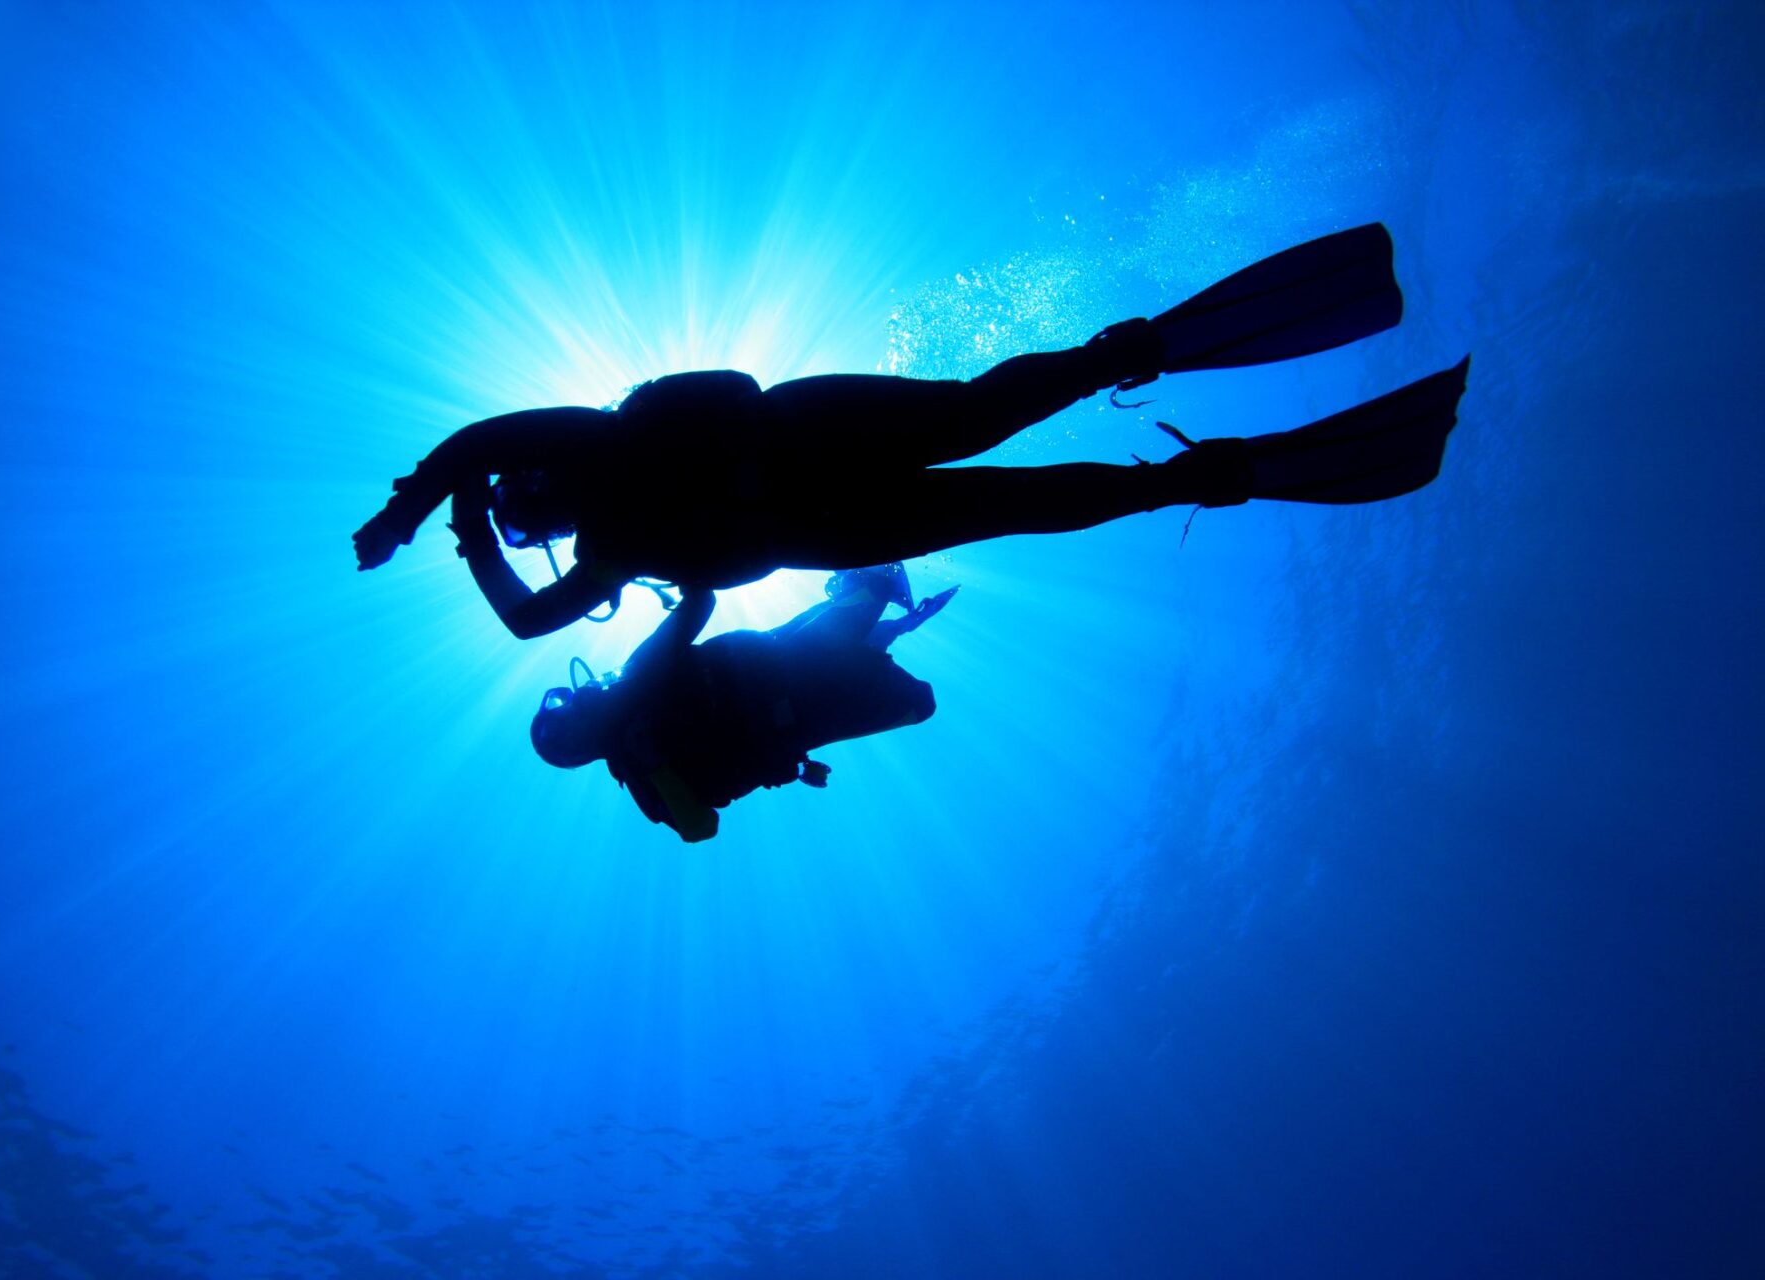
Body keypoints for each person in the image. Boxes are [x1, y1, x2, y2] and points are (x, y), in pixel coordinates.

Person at [353, 224, 1470, 639]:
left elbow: (483, 437)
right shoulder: (605, 543)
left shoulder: (594, 449)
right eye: (522, 511)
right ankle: (1196, 465)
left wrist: (426, 512)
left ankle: (1137, 369)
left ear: (535, 479)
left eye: (519, 493)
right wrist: (453, 528)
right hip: (824, 502)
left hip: (813, 452)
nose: (528, 499)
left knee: (985, 420)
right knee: (1012, 494)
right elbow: (523, 616)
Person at [531, 565, 955, 842]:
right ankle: (884, 628)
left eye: (561, 705)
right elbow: (701, 828)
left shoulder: (637, 680)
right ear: (578, 744)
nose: (573, 702)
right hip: (795, 698)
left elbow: (700, 603)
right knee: (918, 700)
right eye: (565, 715)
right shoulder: (641, 759)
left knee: (875, 604)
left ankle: (887, 627)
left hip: (787, 669)